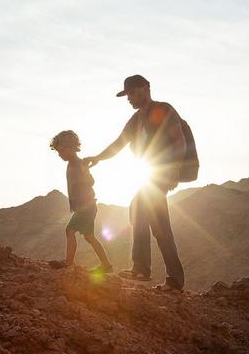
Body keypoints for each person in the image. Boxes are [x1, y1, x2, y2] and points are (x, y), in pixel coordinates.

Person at [85, 74, 186, 291]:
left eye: (132, 92)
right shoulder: (136, 120)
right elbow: (119, 143)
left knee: (140, 208)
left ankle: (143, 269)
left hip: (164, 172)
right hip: (151, 174)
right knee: (157, 225)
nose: (129, 98)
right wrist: (98, 158)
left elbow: (179, 140)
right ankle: (167, 277)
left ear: (146, 88)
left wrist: (175, 169)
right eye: (127, 95)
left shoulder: (163, 110)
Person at [48, 130, 114, 275]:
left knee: (69, 230)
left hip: (86, 206)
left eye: (62, 150)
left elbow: (91, 181)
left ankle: (69, 262)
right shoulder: (72, 164)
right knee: (89, 237)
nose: (60, 154)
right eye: (58, 152)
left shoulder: (79, 163)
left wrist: (83, 177)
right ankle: (106, 265)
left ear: (72, 147)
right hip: (85, 207)